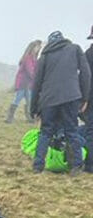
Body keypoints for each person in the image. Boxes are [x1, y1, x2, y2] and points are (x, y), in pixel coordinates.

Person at [31, 31, 91, 175]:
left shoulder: (45, 55)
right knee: (71, 131)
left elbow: (37, 83)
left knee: (45, 132)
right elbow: (86, 73)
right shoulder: (75, 49)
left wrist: (34, 108)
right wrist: (84, 98)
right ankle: (76, 165)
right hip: (71, 97)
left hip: (49, 99)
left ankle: (38, 165)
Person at [6, 40, 41, 124]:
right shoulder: (28, 58)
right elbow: (31, 71)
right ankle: (11, 117)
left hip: (27, 84)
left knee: (27, 101)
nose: (38, 49)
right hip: (24, 83)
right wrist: (38, 80)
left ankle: (27, 118)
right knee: (20, 100)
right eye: (37, 47)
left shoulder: (33, 59)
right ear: (32, 48)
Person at [85, 26, 93, 172]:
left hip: (90, 99)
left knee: (90, 131)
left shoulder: (88, 54)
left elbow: (85, 79)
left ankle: (90, 165)